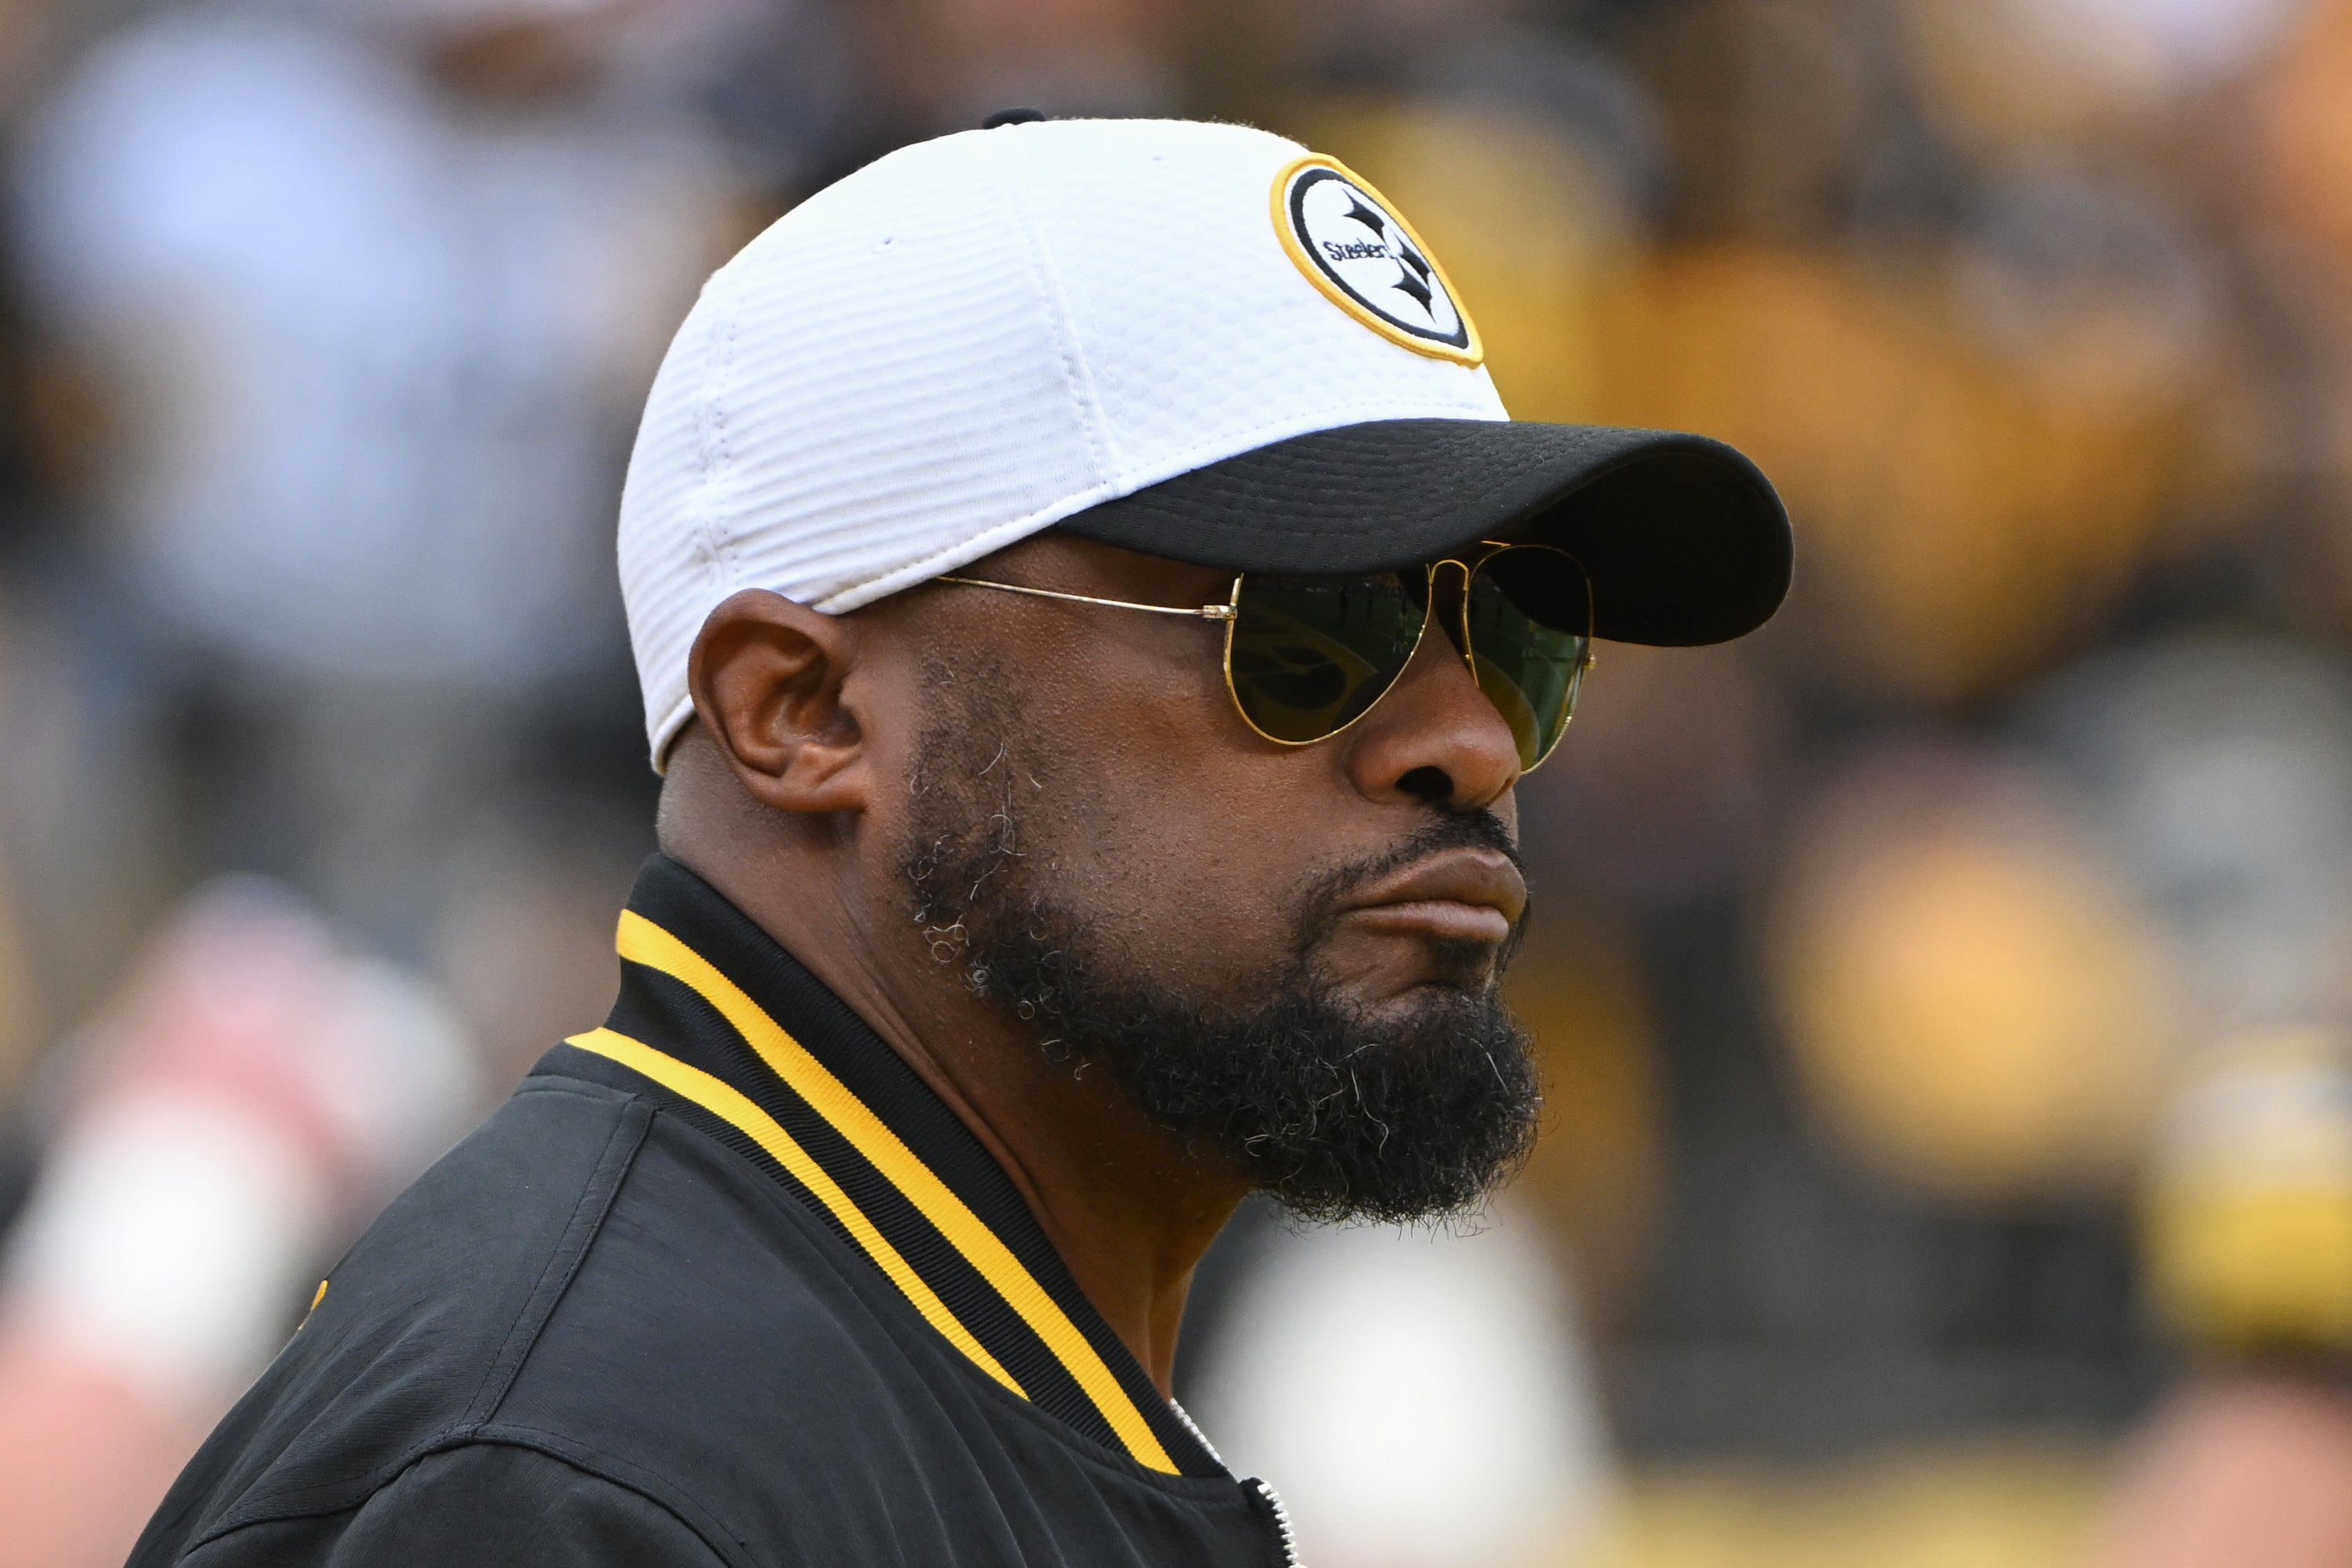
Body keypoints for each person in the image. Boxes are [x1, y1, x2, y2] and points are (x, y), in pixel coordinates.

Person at [125, 114, 1790, 1566]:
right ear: (803, 714)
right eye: (1309, 624)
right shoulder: (569, 1483)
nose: (1472, 738)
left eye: (1517, 629)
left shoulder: (905, 1358)